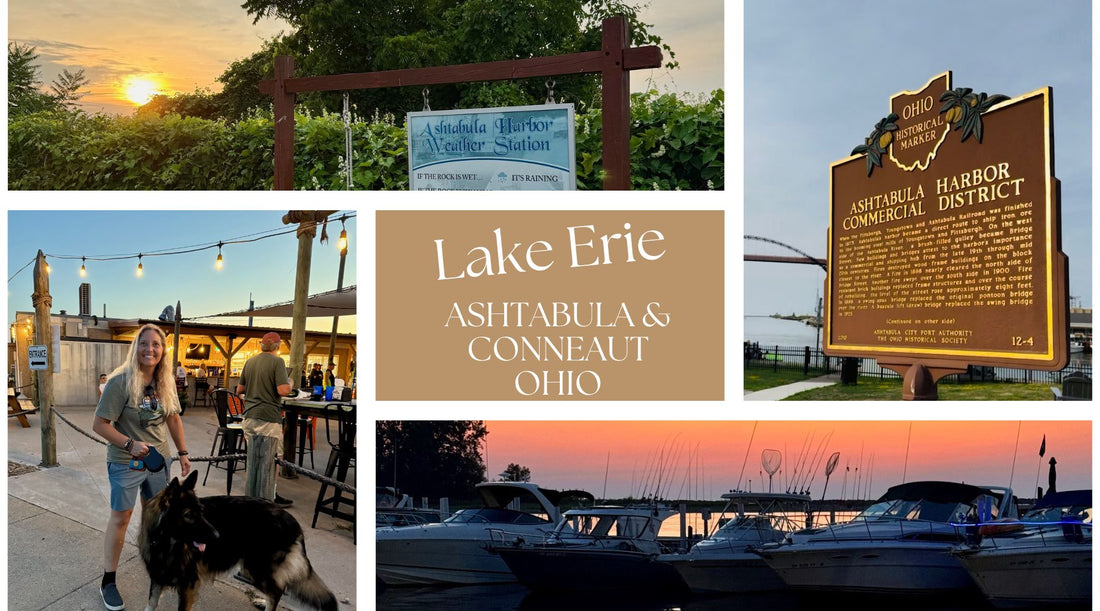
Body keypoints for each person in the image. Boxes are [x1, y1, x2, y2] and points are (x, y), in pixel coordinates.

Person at [92, 324, 191, 611]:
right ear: (136, 348)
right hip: (127, 462)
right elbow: (99, 424)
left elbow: (173, 418)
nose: (150, 349)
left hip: (159, 462)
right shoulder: (120, 382)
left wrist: (182, 453)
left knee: (156, 518)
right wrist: (129, 444)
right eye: (144, 343)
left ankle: (155, 567)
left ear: (163, 350)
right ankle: (108, 581)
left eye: (156, 344)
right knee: (121, 518)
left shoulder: (165, 381)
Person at [236, 331, 293, 507]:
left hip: (249, 416)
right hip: (269, 417)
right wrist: (290, 383)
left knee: (254, 458)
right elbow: (283, 390)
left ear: (261, 345)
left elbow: (239, 390)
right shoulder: (278, 362)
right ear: (278, 346)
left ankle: (252, 498)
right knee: (273, 458)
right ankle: (270, 497)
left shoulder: (250, 361)